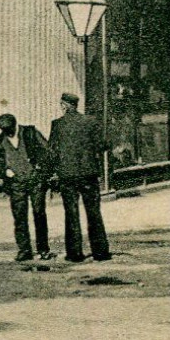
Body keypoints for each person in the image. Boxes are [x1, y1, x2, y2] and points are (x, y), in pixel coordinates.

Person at [50, 93, 111, 262]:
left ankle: (74, 253)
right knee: (94, 213)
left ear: (63, 105)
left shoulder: (57, 125)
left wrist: (58, 168)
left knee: (71, 213)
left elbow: (52, 151)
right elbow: (103, 145)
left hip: (67, 175)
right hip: (88, 173)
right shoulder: (91, 122)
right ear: (76, 105)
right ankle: (100, 252)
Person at [0, 114, 54, 262]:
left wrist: (41, 169)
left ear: (15, 125)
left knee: (39, 214)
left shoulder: (30, 132)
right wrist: (4, 171)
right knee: (19, 217)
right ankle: (24, 250)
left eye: (9, 129)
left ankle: (43, 249)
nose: (8, 133)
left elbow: (47, 150)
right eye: (4, 130)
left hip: (35, 180)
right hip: (16, 184)